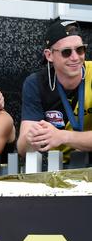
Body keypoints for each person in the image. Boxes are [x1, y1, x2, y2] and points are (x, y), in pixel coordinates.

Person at [18, 19, 92, 161]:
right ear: (49, 55)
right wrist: (31, 139)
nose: (75, 57)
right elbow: (23, 150)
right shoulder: (36, 83)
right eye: (66, 52)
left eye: (80, 49)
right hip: (56, 167)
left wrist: (63, 136)